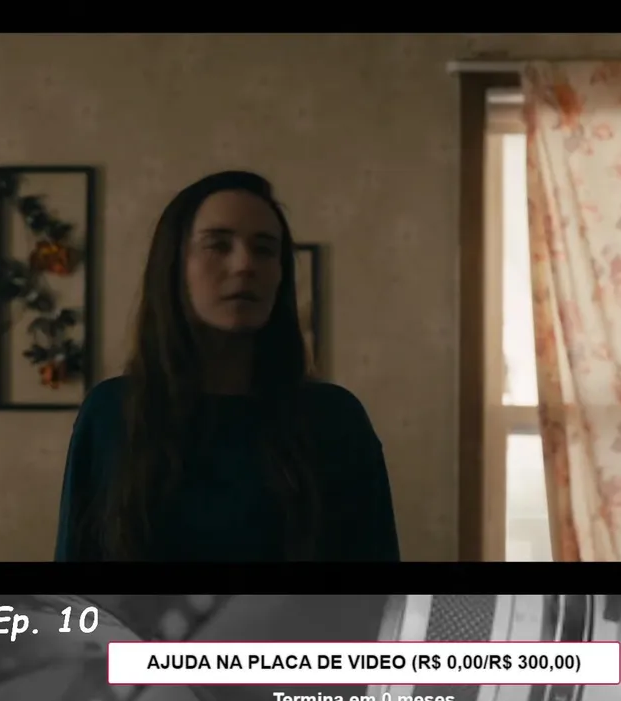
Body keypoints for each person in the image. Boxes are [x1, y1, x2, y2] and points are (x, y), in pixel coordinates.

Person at [55, 171, 400, 562]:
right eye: (218, 245)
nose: (244, 265)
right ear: (175, 266)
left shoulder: (335, 419)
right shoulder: (112, 414)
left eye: (265, 249)